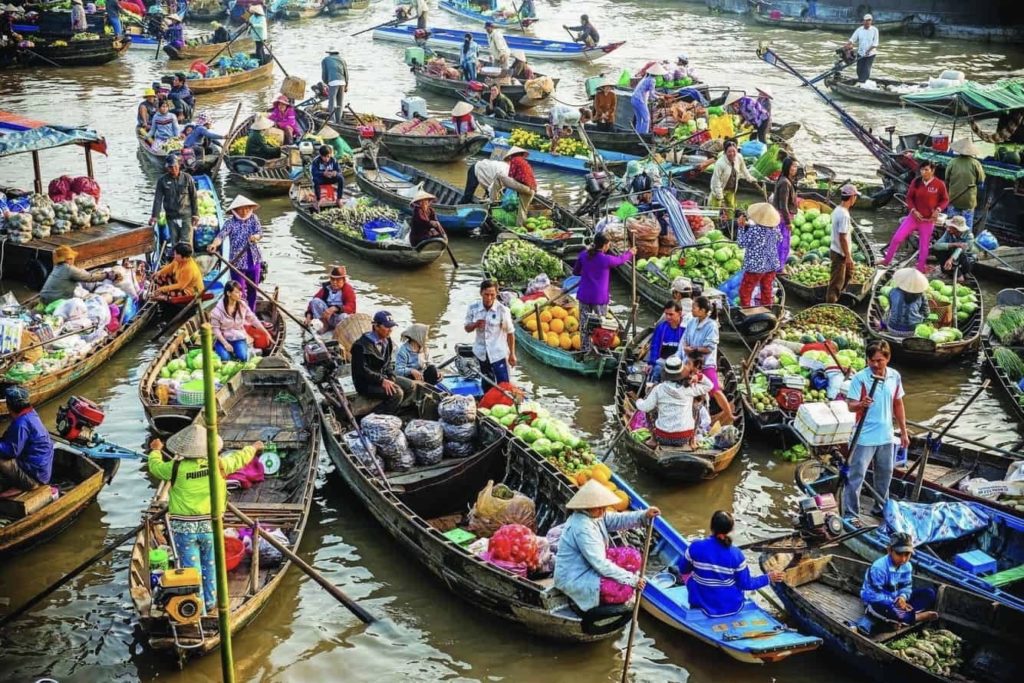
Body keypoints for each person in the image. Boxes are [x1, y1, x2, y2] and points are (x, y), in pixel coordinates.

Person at [148, 426, 263, 614]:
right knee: (210, 564)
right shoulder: (218, 464)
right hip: (210, 526)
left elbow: (155, 467)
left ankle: (197, 609)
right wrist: (254, 447)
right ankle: (209, 602)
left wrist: (155, 451)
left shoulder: (175, 467)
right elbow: (240, 458)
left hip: (183, 529)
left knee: (191, 570)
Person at [553, 479, 660, 612]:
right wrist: (632, 580)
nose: (603, 510)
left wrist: (644, 515)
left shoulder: (595, 515)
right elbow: (600, 564)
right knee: (624, 590)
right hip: (575, 575)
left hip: (590, 562)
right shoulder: (582, 527)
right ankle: (594, 600)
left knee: (634, 557)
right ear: (587, 507)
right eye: (599, 507)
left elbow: (618, 519)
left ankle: (621, 577)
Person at [844, 340, 909, 517]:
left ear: (887, 359)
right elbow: (850, 406)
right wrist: (861, 404)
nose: (874, 364)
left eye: (879, 360)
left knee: (885, 475)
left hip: (886, 436)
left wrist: (903, 432)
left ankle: (880, 508)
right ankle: (851, 514)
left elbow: (898, 404)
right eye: (871, 360)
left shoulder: (894, 376)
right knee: (856, 477)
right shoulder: (861, 378)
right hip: (864, 437)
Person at [679, 511, 785, 617]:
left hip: (701, 606)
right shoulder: (736, 555)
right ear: (730, 531)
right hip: (732, 607)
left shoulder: (695, 547)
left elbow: (683, 569)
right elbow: (746, 584)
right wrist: (768, 578)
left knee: (690, 577)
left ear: (712, 527)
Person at [881, 161, 948, 274]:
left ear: (933, 171)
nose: (923, 172)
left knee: (924, 245)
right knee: (897, 238)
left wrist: (938, 210)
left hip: (928, 220)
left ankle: (920, 267)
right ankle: (886, 260)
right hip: (913, 217)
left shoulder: (939, 184)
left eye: (926, 170)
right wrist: (913, 210)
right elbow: (909, 198)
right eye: (922, 170)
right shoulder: (916, 182)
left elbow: (945, 200)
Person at [573, 233, 634, 351]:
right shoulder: (606, 259)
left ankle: (585, 349)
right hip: (599, 298)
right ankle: (600, 349)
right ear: (605, 245)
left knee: (585, 325)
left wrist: (587, 272)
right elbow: (620, 260)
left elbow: (575, 272)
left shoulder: (583, 255)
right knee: (601, 325)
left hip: (584, 295)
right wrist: (630, 253)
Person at [635, 354, 713, 446]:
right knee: (696, 408)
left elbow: (645, 407)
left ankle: (653, 440)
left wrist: (638, 401)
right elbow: (710, 385)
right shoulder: (689, 389)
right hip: (685, 437)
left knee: (650, 410)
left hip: (662, 437)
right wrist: (699, 377)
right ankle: (692, 441)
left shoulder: (659, 389)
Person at [861, 532, 938, 624]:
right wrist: (895, 603)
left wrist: (902, 597)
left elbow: (906, 587)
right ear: (889, 550)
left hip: (897, 600)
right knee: (881, 607)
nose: (903, 559)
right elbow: (872, 595)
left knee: (929, 594)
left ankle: (902, 617)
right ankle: (915, 617)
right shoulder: (879, 568)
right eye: (899, 554)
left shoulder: (907, 566)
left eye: (907, 554)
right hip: (878, 601)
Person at [351, 310, 416, 415]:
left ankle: (394, 410)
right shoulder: (360, 346)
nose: (390, 330)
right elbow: (362, 371)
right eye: (387, 327)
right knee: (397, 393)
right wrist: (382, 381)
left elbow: (388, 363)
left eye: (391, 327)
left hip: (382, 377)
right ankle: (378, 417)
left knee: (410, 386)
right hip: (366, 384)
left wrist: (391, 376)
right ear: (376, 326)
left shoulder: (387, 341)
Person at [682, 296, 734, 424]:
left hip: (705, 363)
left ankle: (730, 415)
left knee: (714, 389)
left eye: (694, 307)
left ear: (703, 310)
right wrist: (687, 348)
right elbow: (686, 339)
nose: (692, 310)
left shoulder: (711, 325)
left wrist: (693, 349)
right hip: (690, 361)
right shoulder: (692, 322)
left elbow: (709, 348)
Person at [207, 195, 264, 309]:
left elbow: (260, 233)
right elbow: (220, 236)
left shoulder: (254, 218)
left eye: (247, 208)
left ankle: (251, 313)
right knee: (238, 292)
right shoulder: (230, 223)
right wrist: (214, 244)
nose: (244, 211)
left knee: (253, 288)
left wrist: (255, 237)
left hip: (253, 259)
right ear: (235, 210)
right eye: (241, 209)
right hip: (237, 262)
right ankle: (240, 315)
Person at [0, 387, 54, 492]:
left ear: (9, 405)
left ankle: (28, 484)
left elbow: (11, 451)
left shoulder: (21, 424)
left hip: (35, 476)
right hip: (41, 471)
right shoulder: (31, 414)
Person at [461, 149, 534, 225]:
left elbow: (506, 183)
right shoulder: (522, 164)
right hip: (477, 169)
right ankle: (461, 206)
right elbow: (496, 185)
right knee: (468, 196)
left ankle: (490, 204)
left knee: (497, 190)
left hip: (493, 176)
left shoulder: (514, 163)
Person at [464, 279, 516, 384]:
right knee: (487, 383)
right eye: (486, 294)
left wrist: (512, 354)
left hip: (498, 354)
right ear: (481, 293)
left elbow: (510, 333)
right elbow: (467, 328)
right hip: (481, 354)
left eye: (492, 294)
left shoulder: (502, 310)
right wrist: (475, 324)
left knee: (504, 385)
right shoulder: (473, 308)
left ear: (496, 293)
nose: (489, 298)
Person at [210, 281, 270, 361]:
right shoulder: (217, 311)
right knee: (225, 359)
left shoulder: (242, 305)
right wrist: (226, 344)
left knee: (243, 357)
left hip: (238, 337)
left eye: (240, 291)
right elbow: (216, 330)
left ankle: (248, 350)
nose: (240, 294)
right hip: (223, 339)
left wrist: (265, 332)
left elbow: (253, 319)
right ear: (228, 293)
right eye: (237, 292)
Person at [737, 203, 782, 308]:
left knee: (745, 291)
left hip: (756, 267)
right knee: (767, 289)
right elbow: (780, 239)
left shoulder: (754, 230)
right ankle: (767, 309)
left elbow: (741, 244)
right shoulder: (775, 229)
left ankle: (747, 311)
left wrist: (740, 227)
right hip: (771, 265)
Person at [150, 155, 198, 248]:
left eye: (175, 166)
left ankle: (188, 261)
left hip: (186, 216)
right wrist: (155, 216)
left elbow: (194, 197)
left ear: (179, 165)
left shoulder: (187, 178)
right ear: (167, 168)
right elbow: (158, 199)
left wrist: (196, 214)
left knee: (186, 243)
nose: (173, 169)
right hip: (171, 217)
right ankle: (176, 261)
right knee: (174, 243)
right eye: (171, 167)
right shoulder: (162, 181)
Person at [39, 245, 111, 305]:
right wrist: (106, 275)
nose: (73, 260)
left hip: (44, 298)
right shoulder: (69, 269)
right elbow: (89, 277)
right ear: (68, 259)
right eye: (71, 258)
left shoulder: (57, 267)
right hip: (54, 301)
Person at [827, 183, 859, 303]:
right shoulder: (844, 215)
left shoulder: (837, 210)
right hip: (840, 253)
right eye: (855, 197)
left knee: (848, 275)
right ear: (852, 198)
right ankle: (830, 305)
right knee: (836, 283)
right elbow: (843, 237)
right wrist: (848, 256)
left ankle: (839, 299)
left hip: (837, 250)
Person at [945, 138, 986, 229]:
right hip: (968, 201)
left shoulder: (952, 162)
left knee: (951, 225)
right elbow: (981, 182)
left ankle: (951, 241)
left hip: (954, 198)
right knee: (966, 227)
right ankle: (966, 242)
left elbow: (946, 179)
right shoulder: (976, 164)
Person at [710, 140, 759, 211]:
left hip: (731, 189)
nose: (732, 154)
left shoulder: (739, 157)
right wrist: (719, 194)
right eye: (729, 151)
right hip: (720, 188)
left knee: (731, 208)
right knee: (716, 209)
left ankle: (730, 221)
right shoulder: (720, 163)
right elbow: (716, 180)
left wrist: (749, 178)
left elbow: (744, 169)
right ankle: (715, 220)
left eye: (734, 151)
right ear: (725, 152)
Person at [305, 265, 356, 332]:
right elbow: (313, 303)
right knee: (315, 301)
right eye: (332, 279)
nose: (334, 282)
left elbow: (351, 307)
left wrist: (335, 308)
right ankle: (324, 325)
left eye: (338, 280)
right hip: (326, 318)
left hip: (339, 318)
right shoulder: (326, 288)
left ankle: (339, 332)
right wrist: (308, 317)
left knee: (344, 316)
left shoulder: (348, 289)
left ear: (343, 280)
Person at [885, 267, 930, 335]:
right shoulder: (921, 295)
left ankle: (882, 325)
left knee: (888, 311)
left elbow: (891, 308)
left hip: (892, 329)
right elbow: (926, 313)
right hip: (913, 331)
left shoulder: (893, 291)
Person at [772, 156, 799, 269]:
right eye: (793, 166)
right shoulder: (784, 183)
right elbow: (783, 205)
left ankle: (777, 266)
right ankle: (778, 268)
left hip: (781, 217)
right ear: (788, 167)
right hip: (782, 219)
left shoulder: (785, 180)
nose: (795, 169)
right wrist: (788, 222)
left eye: (796, 166)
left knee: (781, 243)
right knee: (783, 244)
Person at [631, 62, 664, 135]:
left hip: (633, 99)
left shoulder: (645, 78)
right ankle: (644, 135)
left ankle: (637, 135)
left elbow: (651, 92)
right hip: (639, 100)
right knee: (646, 119)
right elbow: (652, 94)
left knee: (639, 119)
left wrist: (659, 94)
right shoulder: (652, 80)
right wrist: (659, 98)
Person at [310, 144, 344, 211]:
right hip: (321, 179)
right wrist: (323, 173)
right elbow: (314, 173)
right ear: (321, 155)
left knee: (341, 178)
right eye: (324, 157)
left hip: (330, 178)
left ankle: (339, 199)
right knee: (315, 180)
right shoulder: (316, 161)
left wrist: (335, 173)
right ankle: (318, 200)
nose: (327, 159)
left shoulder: (333, 160)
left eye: (328, 156)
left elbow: (339, 171)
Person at [846, 14, 879, 83]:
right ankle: (861, 81)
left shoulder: (875, 30)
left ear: (871, 21)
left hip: (870, 54)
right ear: (863, 21)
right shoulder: (859, 29)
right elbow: (852, 39)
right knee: (859, 70)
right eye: (866, 20)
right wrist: (848, 45)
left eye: (869, 20)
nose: (867, 22)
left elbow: (875, 43)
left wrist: (868, 51)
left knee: (866, 70)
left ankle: (863, 83)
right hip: (860, 53)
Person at [321, 47, 348, 125]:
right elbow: (346, 73)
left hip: (333, 82)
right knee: (340, 102)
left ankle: (332, 120)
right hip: (343, 81)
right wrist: (346, 84)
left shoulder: (325, 60)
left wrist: (326, 83)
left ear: (329, 53)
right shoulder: (342, 60)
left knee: (331, 102)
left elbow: (324, 74)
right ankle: (338, 121)